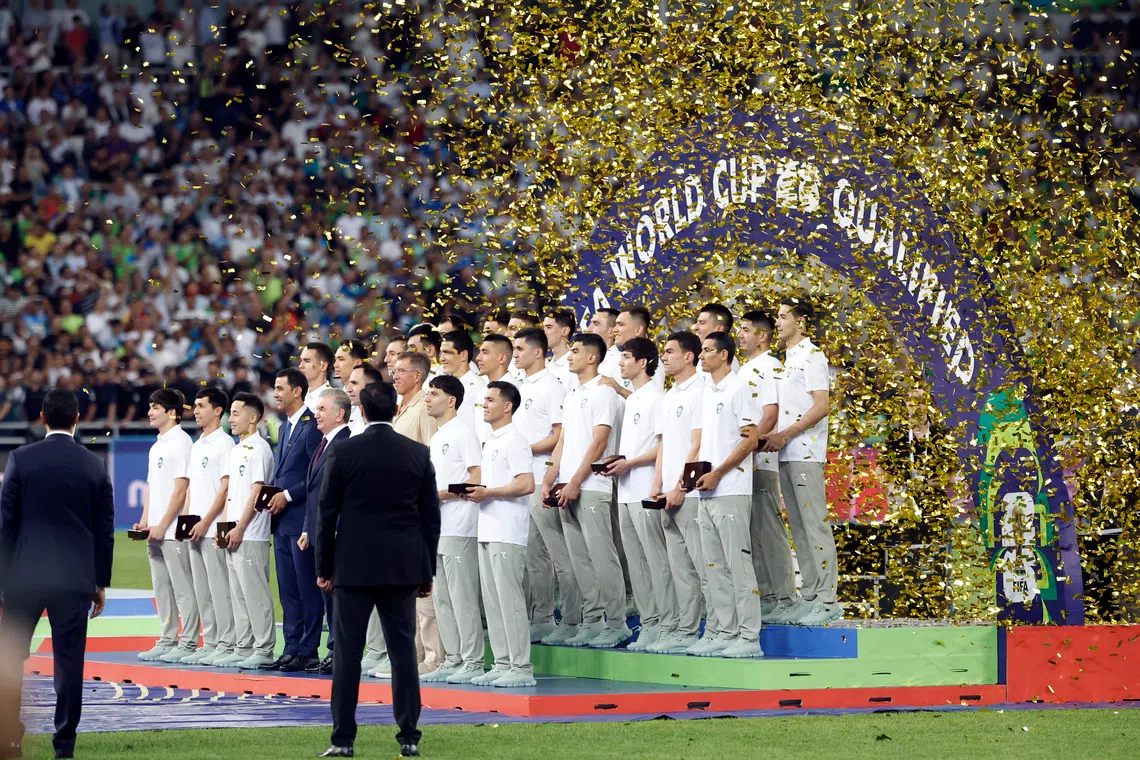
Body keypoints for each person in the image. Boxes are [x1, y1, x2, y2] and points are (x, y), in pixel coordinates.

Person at [316, 382, 440, 759]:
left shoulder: (345, 451)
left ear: (362, 412)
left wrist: (324, 566)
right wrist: (426, 571)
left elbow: (326, 513)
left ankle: (343, 740)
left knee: (348, 654)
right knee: (403, 652)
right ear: (394, 408)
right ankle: (408, 736)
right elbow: (429, 518)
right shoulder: (417, 453)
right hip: (401, 567)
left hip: (353, 566)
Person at [0, 389, 114, 760]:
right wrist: (99, 583)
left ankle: (9, 740)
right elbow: (104, 530)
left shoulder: (20, 459)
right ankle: (64, 744)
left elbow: (5, 525)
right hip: (73, 578)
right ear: (78, 418)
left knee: (10, 658)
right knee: (69, 662)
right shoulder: (95, 465)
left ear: (43, 418)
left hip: (24, 578)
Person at [542, 333, 630, 648]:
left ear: (592, 357)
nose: (569, 356)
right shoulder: (574, 393)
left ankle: (617, 622)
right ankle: (592, 621)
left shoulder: (604, 393)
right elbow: (563, 441)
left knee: (601, 556)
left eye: (576, 351)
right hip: (567, 485)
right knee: (579, 558)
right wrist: (549, 478)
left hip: (592, 485)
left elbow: (599, 442)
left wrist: (576, 481)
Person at [761, 298, 841, 626]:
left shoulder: (813, 355)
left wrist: (788, 433)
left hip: (805, 451)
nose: (777, 322)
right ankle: (810, 594)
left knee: (815, 526)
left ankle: (827, 599)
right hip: (785, 452)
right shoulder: (786, 360)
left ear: (801, 321)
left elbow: (821, 406)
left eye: (782, 317)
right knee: (798, 526)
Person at [689, 332, 763, 658]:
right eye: (701, 350)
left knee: (738, 566)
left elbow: (750, 439)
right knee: (713, 567)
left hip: (731, 489)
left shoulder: (739, 388)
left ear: (724, 355)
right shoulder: (706, 391)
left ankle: (750, 638)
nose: (701, 356)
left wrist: (719, 472)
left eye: (707, 351)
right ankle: (723, 630)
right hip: (706, 491)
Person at [602, 337, 673, 652]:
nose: (620, 364)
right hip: (627, 489)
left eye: (626, 357)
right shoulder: (633, 400)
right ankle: (650, 624)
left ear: (644, 362)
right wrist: (619, 460)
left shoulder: (657, 398)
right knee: (637, 562)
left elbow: (664, 446)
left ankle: (669, 624)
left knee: (656, 560)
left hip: (646, 486)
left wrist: (631, 463)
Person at [464, 381, 536, 687]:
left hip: (508, 529)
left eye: (491, 400)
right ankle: (504, 661)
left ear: (507, 405)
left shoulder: (514, 440)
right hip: (488, 526)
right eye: (484, 401)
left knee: (509, 600)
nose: (485, 405)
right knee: (493, 602)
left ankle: (522, 667)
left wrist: (489, 492)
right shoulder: (491, 440)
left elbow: (527, 483)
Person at [511, 327, 577, 644]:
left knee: (559, 556)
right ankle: (542, 617)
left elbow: (559, 435)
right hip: (523, 479)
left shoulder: (552, 386)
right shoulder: (520, 385)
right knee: (532, 557)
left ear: (538, 352)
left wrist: (525, 451)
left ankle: (574, 620)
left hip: (543, 477)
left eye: (521, 348)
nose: (516, 353)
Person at [420, 375, 484, 684]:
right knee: (442, 597)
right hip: (438, 526)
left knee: (462, 596)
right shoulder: (437, 437)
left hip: (460, 523)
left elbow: (476, 478)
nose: (427, 399)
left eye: (433, 394)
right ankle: (454, 657)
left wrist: (439, 496)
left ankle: (473, 660)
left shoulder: (463, 434)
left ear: (451, 400)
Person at [649, 331, 708, 654]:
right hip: (668, 494)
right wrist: (657, 484)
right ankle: (686, 630)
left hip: (690, 494)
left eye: (671, 351)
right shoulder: (669, 395)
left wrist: (681, 485)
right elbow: (664, 445)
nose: (665, 356)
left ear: (689, 356)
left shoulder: (701, 391)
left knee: (703, 565)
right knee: (680, 569)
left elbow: (697, 444)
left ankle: (714, 629)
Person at [737, 310, 799, 623]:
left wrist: (749, 446)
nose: (741, 335)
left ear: (762, 335)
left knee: (769, 531)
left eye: (746, 330)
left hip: (761, 460)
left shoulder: (770, 366)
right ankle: (768, 596)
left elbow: (771, 413)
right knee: (752, 533)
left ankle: (787, 597)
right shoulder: (745, 368)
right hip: (744, 463)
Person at [387, 350, 444, 676]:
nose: (394, 376)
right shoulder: (402, 409)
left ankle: (434, 657)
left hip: (415, 508)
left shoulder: (424, 408)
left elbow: (431, 458)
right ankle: (414, 656)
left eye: (401, 371)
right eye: (394, 371)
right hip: (398, 510)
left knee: (423, 588)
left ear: (418, 376)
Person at [265, 368, 323, 671]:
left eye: (280, 388)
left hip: (301, 518)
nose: (275, 393)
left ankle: (309, 649)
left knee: (306, 587)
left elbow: (317, 476)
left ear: (297, 391)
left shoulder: (311, 425)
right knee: (287, 589)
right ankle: (290, 646)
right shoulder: (286, 427)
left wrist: (287, 495)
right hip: (282, 519)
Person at [135, 388, 197, 663]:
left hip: (173, 531)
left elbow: (181, 490)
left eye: (155, 407)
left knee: (183, 588)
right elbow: (151, 487)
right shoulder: (157, 445)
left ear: (172, 412)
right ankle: (168, 638)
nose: (150, 412)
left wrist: (163, 524)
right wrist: (146, 521)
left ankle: (189, 641)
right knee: (162, 587)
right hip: (156, 529)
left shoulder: (182, 443)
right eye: (150, 406)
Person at [215, 392, 277, 668]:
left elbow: (258, 490)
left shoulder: (259, 449)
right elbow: (231, 494)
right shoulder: (237, 449)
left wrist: (240, 527)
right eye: (231, 412)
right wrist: (224, 529)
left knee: (255, 593)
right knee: (238, 593)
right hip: (236, 530)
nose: (231, 418)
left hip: (252, 533)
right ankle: (244, 645)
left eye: (237, 413)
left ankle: (263, 649)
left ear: (253, 418)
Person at [182, 387, 237, 665]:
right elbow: (191, 487)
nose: (196, 410)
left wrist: (206, 522)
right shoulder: (197, 444)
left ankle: (227, 643)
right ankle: (212, 640)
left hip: (214, 527)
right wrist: (188, 521)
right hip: (196, 526)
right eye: (195, 405)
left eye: (202, 405)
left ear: (217, 411)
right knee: (202, 589)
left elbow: (225, 489)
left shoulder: (224, 443)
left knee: (219, 588)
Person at [300, 388, 353, 675]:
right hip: (320, 531)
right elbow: (316, 492)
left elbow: (343, 494)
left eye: (322, 409)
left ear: (339, 413)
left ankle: (340, 652)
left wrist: (334, 529)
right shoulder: (325, 443)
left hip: (334, 533)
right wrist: (309, 528)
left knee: (335, 593)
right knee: (327, 594)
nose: (316, 414)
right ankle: (335, 650)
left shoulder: (345, 444)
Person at [438, 330, 487, 439]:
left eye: (447, 352)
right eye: (441, 353)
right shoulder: (442, 385)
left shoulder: (478, 387)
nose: (441, 358)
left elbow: (482, 431)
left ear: (464, 355)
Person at [694, 302, 740, 377]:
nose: (695, 327)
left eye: (701, 323)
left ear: (719, 329)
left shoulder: (727, 361)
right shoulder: (702, 358)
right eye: (697, 322)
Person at [542, 308, 576, 388]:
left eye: (549, 327)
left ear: (565, 331)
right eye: (543, 327)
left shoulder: (576, 367)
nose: (543, 332)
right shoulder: (546, 367)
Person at [587, 308, 622, 382]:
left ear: (611, 332)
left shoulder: (619, 362)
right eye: (590, 324)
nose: (589, 329)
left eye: (596, 324)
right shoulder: (582, 358)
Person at [301, 342, 335, 411]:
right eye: (301, 360)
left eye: (307, 361)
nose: (301, 366)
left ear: (323, 366)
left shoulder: (331, 400)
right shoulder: (300, 396)